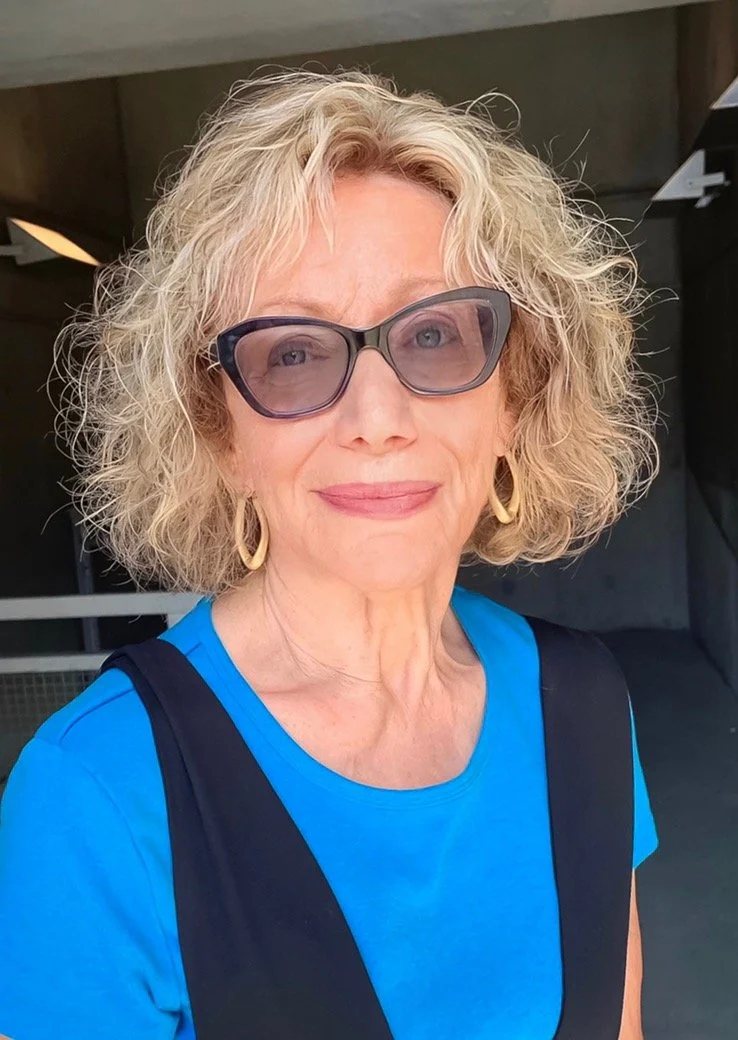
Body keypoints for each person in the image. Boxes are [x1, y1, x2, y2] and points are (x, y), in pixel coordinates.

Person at [0, 70, 659, 1040]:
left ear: (514, 395)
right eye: (295, 352)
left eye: (435, 334)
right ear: (218, 431)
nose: (378, 419)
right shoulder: (95, 794)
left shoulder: (585, 703)